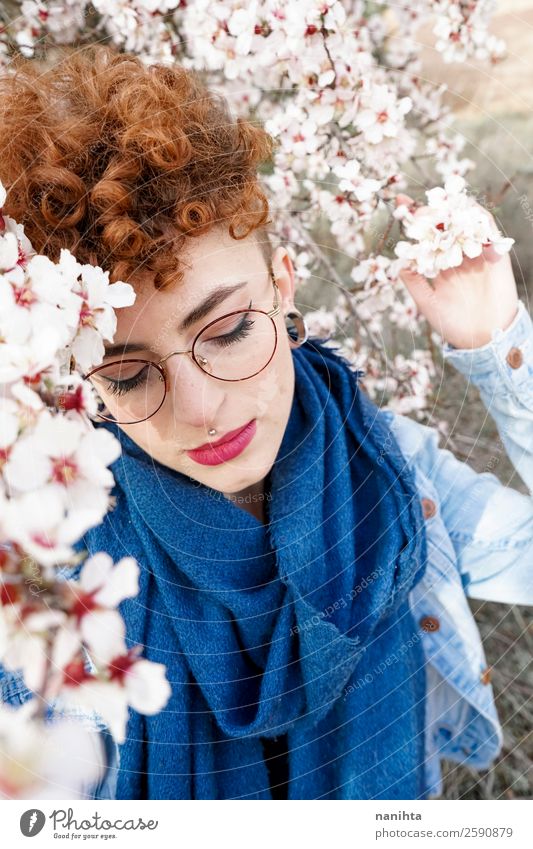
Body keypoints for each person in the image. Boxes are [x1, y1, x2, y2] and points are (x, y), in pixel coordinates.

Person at [0, 44, 532, 801]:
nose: (198, 408)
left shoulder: (392, 475)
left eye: (226, 332)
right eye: (127, 373)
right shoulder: (49, 570)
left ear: (283, 289)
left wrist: (497, 347)